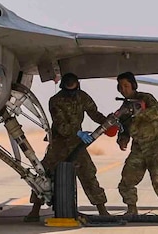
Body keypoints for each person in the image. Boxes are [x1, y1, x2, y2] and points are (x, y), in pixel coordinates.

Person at [24, 73, 110, 221]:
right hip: (59, 145)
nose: (72, 92)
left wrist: (108, 123)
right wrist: (78, 133)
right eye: (69, 89)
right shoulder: (55, 101)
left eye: (74, 89)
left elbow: (94, 113)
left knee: (88, 174)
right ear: (63, 87)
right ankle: (35, 210)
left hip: (77, 145)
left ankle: (102, 210)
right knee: (44, 175)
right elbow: (61, 126)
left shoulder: (82, 97)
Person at [114, 71, 158, 224]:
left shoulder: (146, 98)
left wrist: (137, 111)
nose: (124, 89)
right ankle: (131, 209)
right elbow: (124, 127)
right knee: (127, 179)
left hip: (156, 145)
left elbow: (157, 113)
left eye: (126, 85)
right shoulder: (124, 108)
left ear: (133, 85)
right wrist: (122, 139)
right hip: (138, 147)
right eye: (121, 86)